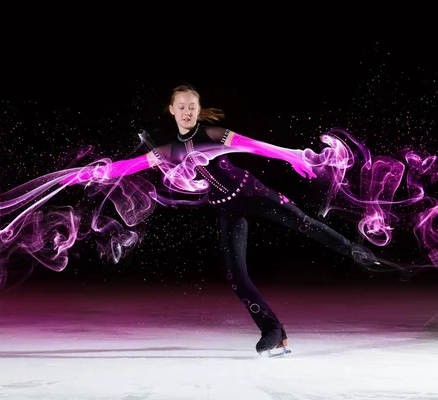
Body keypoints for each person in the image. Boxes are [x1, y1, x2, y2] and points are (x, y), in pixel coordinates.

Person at [62, 84, 379, 356]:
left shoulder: (211, 134)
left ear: (198, 110)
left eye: (192, 107)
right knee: (235, 276)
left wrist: (295, 156)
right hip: (228, 209)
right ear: (172, 110)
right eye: (181, 106)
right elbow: (128, 166)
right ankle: (274, 331)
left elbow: (254, 146)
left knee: (306, 225)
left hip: (253, 193)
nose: (187, 111)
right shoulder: (166, 151)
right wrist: (89, 173)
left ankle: (356, 251)